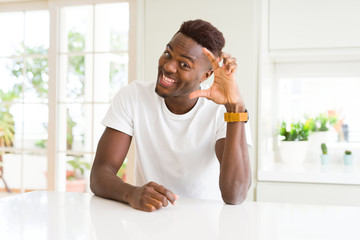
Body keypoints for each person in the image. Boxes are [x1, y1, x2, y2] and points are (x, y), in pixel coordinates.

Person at [90, 19, 252, 212]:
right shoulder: (133, 96)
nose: (168, 66)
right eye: (168, 53)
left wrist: (235, 107)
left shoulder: (223, 110)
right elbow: (100, 174)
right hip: (149, 220)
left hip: (207, 224)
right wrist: (131, 193)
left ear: (206, 76)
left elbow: (235, 195)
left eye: (184, 64)